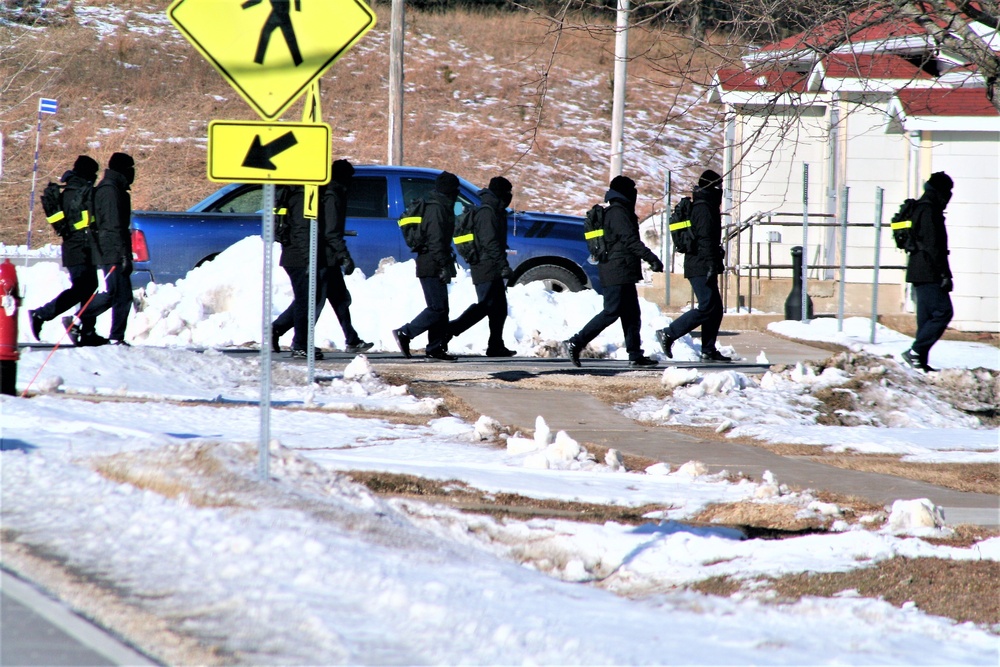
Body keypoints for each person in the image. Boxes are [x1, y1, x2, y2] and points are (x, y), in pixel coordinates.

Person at [272, 160, 373, 358]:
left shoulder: (318, 192)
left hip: (319, 255)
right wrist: (338, 255)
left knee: (336, 296)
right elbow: (328, 231)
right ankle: (298, 343)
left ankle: (351, 339)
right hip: (310, 256)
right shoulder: (329, 194)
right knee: (309, 300)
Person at [563, 175, 663, 368]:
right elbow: (630, 241)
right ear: (626, 192)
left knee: (632, 314)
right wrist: (651, 258)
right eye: (633, 190)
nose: (635, 194)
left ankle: (635, 355)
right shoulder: (618, 213)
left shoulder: (619, 211)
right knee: (611, 312)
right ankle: (576, 342)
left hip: (622, 270)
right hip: (616, 271)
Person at [655, 169, 730, 363]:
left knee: (715, 308)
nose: (721, 190)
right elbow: (705, 240)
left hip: (703, 262)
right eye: (719, 187)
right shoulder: (704, 208)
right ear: (714, 187)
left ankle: (708, 350)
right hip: (700, 264)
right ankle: (668, 333)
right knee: (707, 306)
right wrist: (712, 263)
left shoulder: (706, 205)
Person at [29, 156, 101, 345]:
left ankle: (87, 331)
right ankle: (41, 314)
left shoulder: (71, 189)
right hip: (79, 249)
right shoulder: (77, 192)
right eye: (93, 173)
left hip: (79, 247)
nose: (95, 177)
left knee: (87, 289)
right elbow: (82, 223)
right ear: (86, 173)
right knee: (82, 289)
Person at [393, 171, 460, 361]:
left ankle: (435, 348)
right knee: (437, 308)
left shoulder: (441, 205)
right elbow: (436, 241)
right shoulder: (437, 208)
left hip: (432, 261)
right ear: (450, 191)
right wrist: (443, 265)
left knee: (441, 308)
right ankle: (405, 333)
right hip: (431, 262)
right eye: (455, 190)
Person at [447, 176, 516, 357]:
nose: (510, 196)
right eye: (508, 192)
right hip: (484, 264)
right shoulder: (488, 213)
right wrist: (503, 265)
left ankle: (495, 345)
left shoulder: (496, 210)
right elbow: (490, 242)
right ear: (501, 193)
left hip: (491, 263)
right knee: (484, 306)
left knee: (499, 308)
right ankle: (449, 330)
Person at [80, 152, 136, 346]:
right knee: (120, 295)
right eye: (130, 169)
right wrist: (123, 254)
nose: (133, 173)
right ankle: (80, 319)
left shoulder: (113, 188)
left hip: (112, 249)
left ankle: (114, 335)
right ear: (122, 170)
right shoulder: (111, 191)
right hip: (112, 250)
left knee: (117, 294)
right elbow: (113, 226)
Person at [901, 171, 954, 373]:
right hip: (929, 270)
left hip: (918, 270)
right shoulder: (929, 210)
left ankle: (919, 361)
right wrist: (944, 274)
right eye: (948, 191)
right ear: (940, 191)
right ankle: (915, 352)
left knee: (925, 318)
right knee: (943, 312)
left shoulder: (921, 207)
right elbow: (934, 246)